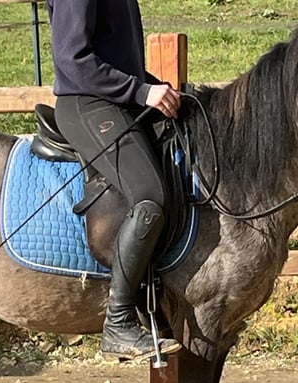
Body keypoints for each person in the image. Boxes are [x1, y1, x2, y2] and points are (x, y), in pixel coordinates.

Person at [45, 0, 183, 361]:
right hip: (86, 103)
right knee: (150, 196)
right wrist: (141, 92)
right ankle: (118, 324)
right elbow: (72, 59)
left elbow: (119, 60)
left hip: (116, 102)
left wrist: (156, 88)